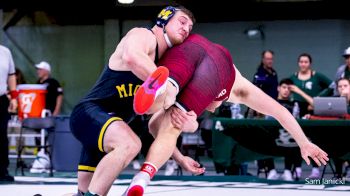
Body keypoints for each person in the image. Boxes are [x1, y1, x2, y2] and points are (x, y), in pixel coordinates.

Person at [125, 34, 329, 195]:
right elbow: (280, 111)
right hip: (215, 64)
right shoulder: (239, 89)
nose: (212, 109)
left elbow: (153, 126)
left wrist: (180, 158)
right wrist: (303, 143)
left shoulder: (218, 89)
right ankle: (142, 176)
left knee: (170, 109)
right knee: (179, 120)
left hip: (191, 50)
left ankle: (159, 91)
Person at [69, 5, 196, 196]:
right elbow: (131, 57)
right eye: (182, 22)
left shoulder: (161, 64)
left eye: (190, 28)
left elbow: (154, 129)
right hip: (89, 114)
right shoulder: (143, 35)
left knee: (82, 193)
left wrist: (179, 158)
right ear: (164, 19)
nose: (186, 29)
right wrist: (163, 86)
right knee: (130, 144)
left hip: (107, 127)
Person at [251, 50, 279, 179]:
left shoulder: (273, 73)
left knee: (273, 140)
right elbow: (254, 93)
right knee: (264, 140)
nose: (270, 61)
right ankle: (266, 165)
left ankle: (269, 166)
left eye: (271, 59)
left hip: (274, 110)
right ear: (263, 59)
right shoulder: (259, 75)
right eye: (267, 59)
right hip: (262, 112)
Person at [0, 45, 18, 182]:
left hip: (1, 99)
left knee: (1, 135)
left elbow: (11, 76)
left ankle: (2, 171)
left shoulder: (5, 51)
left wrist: (14, 97)